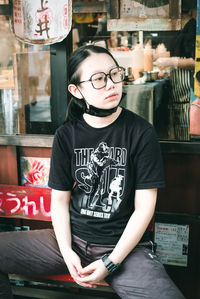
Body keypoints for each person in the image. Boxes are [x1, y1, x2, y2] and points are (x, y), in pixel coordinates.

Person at [0, 45, 185, 299]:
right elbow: (60, 200)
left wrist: (111, 262)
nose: (111, 84)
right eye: (98, 79)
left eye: (115, 74)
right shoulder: (67, 135)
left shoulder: (140, 132)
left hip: (125, 250)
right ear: (76, 90)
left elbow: (145, 207)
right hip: (70, 240)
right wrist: (67, 252)